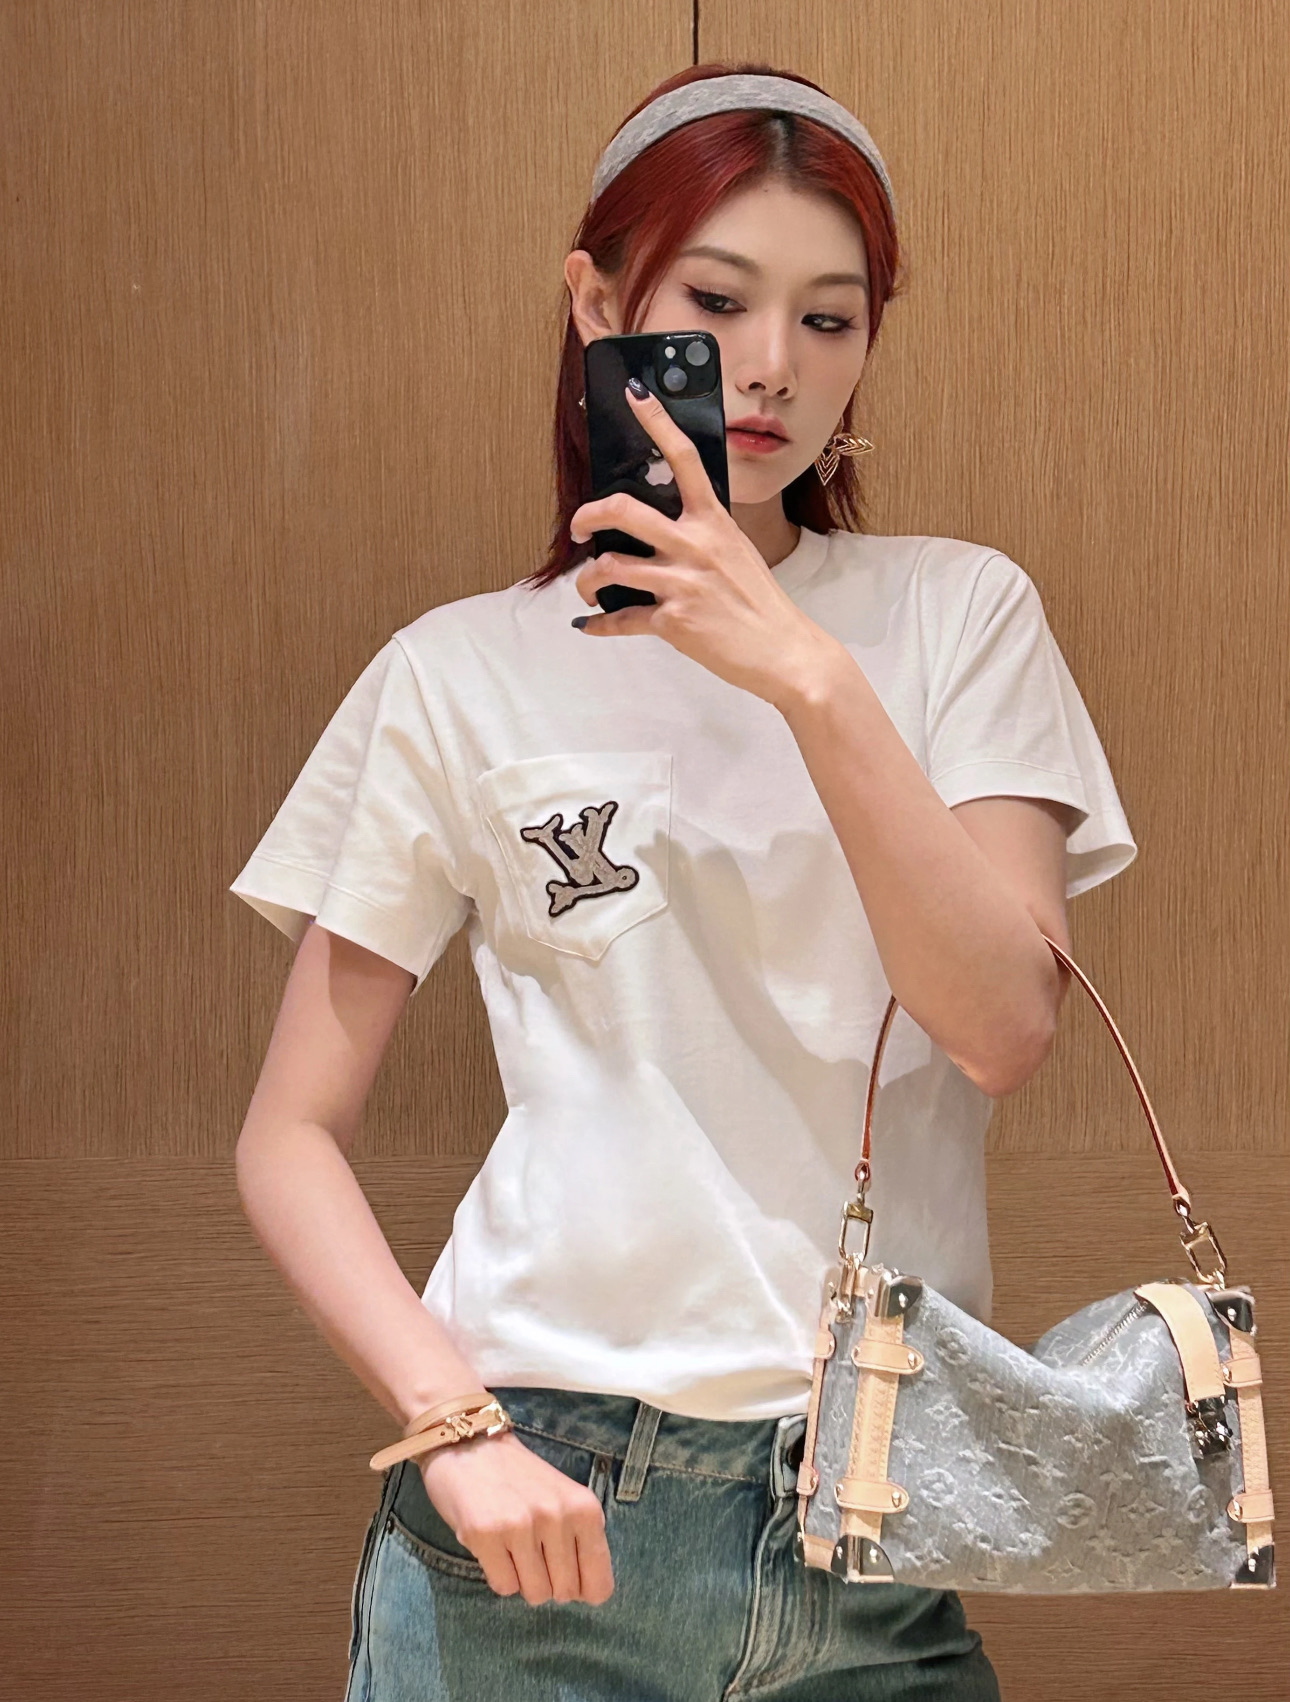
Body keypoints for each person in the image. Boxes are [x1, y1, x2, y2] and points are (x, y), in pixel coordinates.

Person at [231, 62, 1136, 1702]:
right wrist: (451, 1426)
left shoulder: (958, 617)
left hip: (876, 1502)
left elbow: (1001, 1024)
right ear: (601, 307)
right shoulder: (459, 671)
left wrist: (801, 672)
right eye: (715, 303)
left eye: (830, 317)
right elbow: (287, 1131)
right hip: (539, 1503)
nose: (773, 361)